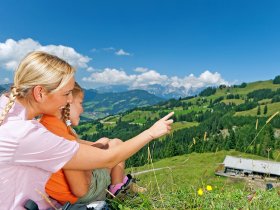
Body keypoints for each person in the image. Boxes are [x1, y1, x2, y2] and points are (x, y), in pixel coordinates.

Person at [0, 51, 174, 210]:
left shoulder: (8, 111)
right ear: (40, 93)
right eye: (66, 94)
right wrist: (151, 132)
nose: (69, 100)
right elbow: (109, 159)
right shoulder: (24, 133)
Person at [40, 82, 133, 204]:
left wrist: (100, 144)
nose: (82, 109)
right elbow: (80, 189)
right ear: (66, 103)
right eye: (80, 103)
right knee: (116, 144)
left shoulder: (46, 126)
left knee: (110, 143)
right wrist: (98, 155)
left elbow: (78, 144)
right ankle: (116, 190)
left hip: (61, 193)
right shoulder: (62, 137)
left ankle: (118, 183)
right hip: (78, 197)